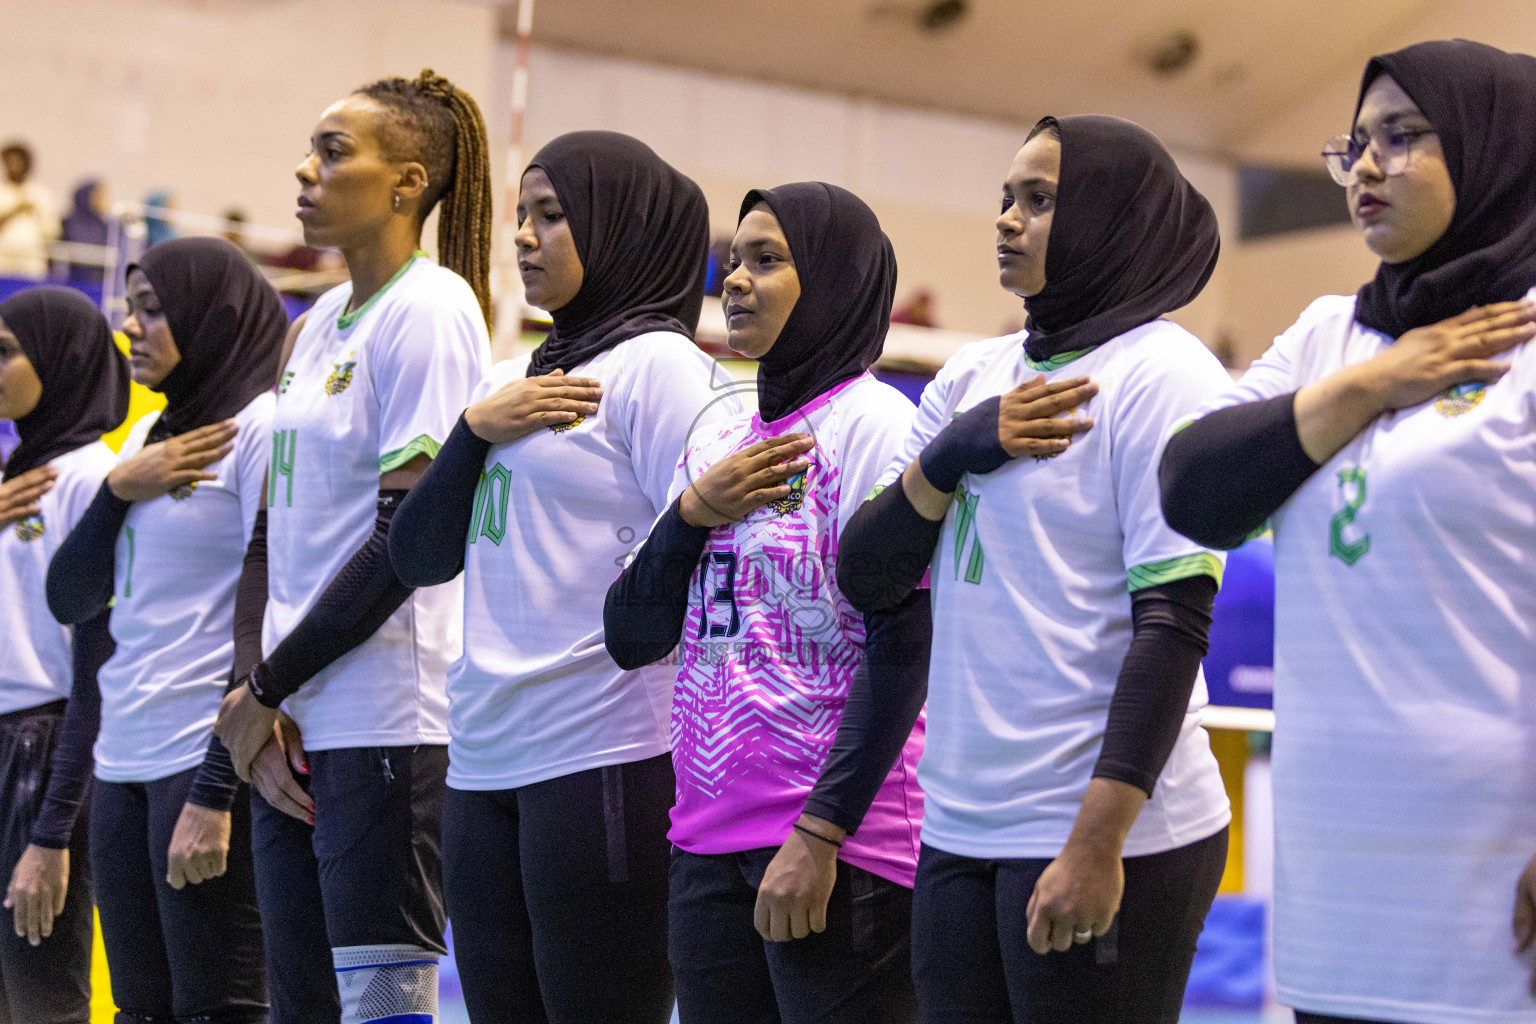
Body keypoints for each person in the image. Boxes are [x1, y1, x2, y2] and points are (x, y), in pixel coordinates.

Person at [1158, 40, 1536, 1024]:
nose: (1365, 167)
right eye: (1356, 143)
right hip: (1340, 887)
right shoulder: (1331, 337)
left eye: (1402, 137)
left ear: (1499, 148)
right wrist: (1372, 384)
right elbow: (1193, 491)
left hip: (1503, 883)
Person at [836, 115, 1232, 1024]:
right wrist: (956, 452)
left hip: (1110, 829)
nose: (1008, 220)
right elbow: (868, 574)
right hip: (962, 824)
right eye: (1005, 199)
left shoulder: (1164, 375)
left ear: (1109, 216)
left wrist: (1099, 843)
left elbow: (1171, 629)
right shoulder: (972, 374)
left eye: (1040, 200)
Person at [389, 129, 736, 1023]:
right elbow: (418, 556)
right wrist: (472, 430)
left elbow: (713, 551)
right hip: (484, 757)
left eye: (551, 217)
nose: (524, 237)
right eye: (520, 216)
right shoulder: (513, 381)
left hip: (606, 754)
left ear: (617, 229)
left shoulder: (659, 368)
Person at [605, 181, 929, 1024]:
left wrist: (822, 833)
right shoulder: (717, 436)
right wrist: (689, 516)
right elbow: (631, 634)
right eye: (733, 261)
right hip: (706, 843)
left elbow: (906, 649)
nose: (735, 281)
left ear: (832, 281)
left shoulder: (873, 426)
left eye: (768, 260)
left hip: (839, 847)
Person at [210, 68, 491, 1024]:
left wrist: (266, 689)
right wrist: (260, 696)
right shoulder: (318, 322)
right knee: (299, 1012)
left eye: (333, 153)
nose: (305, 169)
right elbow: (268, 541)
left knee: (378, 1012)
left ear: (407, 181)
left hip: (382, 724)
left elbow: (405, 542)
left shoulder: (433, 309)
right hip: (290, 726)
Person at [45, 236, 285, 1023]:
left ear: (208, 319)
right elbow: (71, 598)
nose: (131, 329)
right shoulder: (151, 446)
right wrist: (116, 491)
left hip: (202, 761)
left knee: (219, 1007)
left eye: (152, 311)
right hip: (124, 763)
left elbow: (269, 609)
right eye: (129, 309)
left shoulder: (259, 432)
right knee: (139, 1011)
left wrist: (218, 788)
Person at [0, 286, 128, 1022]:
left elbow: (92, 671)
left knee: (44, 998)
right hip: (11, 745)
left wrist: (52, 829)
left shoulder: (84, 480)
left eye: (8, 351)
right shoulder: (18, 477)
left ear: (62, 359)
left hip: (46, 751)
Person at [0, 144, 59, 280]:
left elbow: (51, 231)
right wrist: (16, 210)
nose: (13, 166)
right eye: (9, 162)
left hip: (31, 262)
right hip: (3, 260)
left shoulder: (41, 194)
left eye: (18, 162)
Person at [58, 180, 111, 287]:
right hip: (74, 281)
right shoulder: (69, 223)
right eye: (98, 195)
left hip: (100, 284)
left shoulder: (106, 226)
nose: (103, 199)